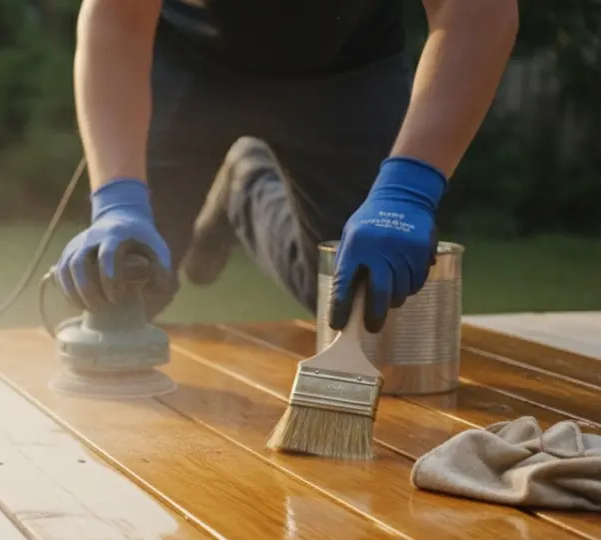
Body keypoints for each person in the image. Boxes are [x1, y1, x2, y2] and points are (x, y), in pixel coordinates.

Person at [53, 0, 519, 333]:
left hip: (347, 70)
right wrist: (118, 202)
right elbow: (117, 15)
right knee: (121, 292)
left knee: (370, 306)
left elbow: (478, 11)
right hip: (187, 63)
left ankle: (247, 185)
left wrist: (406, 191)